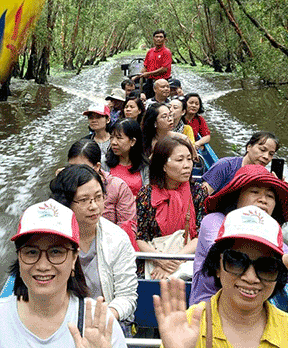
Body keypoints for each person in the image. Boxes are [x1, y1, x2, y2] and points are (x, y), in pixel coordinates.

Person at [0, 199, 127, 348]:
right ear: (19, 257)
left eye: (56, 252)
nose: (42, 265)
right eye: (31, 252)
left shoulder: (100, 325)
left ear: (74, 258)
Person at [154, 206, 288, 348]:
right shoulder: (187, 327)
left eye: (267, 267)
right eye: (236, 262)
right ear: (217, 266)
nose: (251, 278)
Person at [189, 164, 288, 306]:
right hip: (206, 310)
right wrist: (280, 265)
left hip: (249, 318)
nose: (263, 200)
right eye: (254, 192)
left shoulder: (272, 237)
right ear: (237, 197)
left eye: (270, 196)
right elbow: (220, 255)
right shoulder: (213, 221)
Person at [50, 165, 138, 323]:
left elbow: (127, 297)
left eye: (98, 197)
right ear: (66, 202)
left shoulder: (117, 238)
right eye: (84, 200)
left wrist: (101, 319)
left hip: (105, 321)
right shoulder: (50, 239)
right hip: (59, 321)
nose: (94, 206)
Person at [135, 136, 208, 279]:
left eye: (189, 159)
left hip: (186, 257)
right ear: (163, 165)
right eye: (180, 160)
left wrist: (174, 261)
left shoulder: (198, 192)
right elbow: (140, 237)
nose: (187, 165)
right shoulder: (146, 194)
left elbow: (200, 236)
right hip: (153, 257)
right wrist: (160, 260)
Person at [66, 139, 136, 227]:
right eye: (72, 168)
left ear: (97, 167)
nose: (75, 174)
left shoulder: (117, 187)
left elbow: (128, 225)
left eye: (82, 169)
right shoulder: (65, 185)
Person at [200, 131, 279, 195]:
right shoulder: (226, 166)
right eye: (262, 150)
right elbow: (201, 197)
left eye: (271, 154)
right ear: (249, 147)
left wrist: (277, 188)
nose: (266, 156)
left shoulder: (265, 178)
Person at [107, 119, 150, 197]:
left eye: (119, 138)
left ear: (132, 141)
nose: (113, 142)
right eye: (111, 137)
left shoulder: (145, 166)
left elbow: (147, 196)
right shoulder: (104, 163)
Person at [131, 30, 172, 98]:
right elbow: (145, 67)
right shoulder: (150, 51)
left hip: (162, 82)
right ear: (153, 39)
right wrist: (137, 76)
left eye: (161, 37)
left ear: (165, 39)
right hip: (150, 81)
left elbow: (164, 69)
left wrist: (148, 74)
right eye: (156, 37)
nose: (158, 39)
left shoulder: (166, 52)